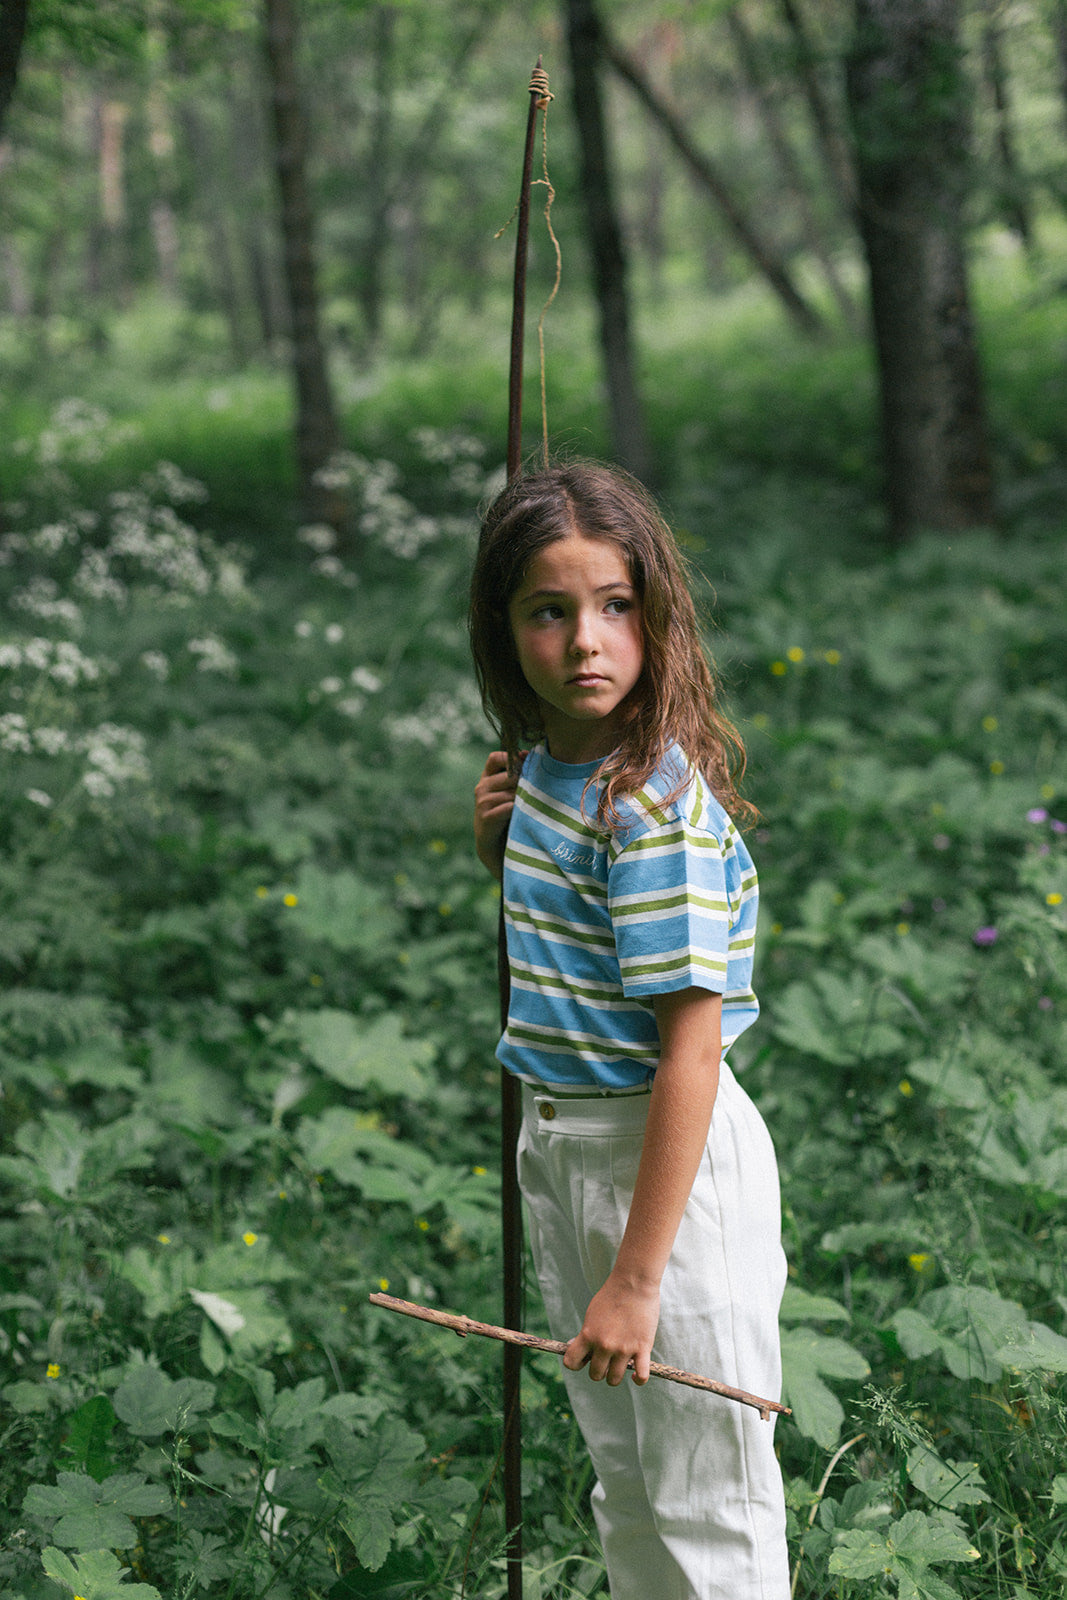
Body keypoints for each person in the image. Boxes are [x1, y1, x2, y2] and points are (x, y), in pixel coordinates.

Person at [468, 463, 790, 1600]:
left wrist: (640, 1278)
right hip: (562, 1149)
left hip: (661, 1168)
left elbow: (688, 1050)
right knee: (627, 1479)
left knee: (706, 1494)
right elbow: (565, 957)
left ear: (655, 615)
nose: (584, 641)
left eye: (613, 605)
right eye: (546, 610)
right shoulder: (544, 774)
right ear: (502, 629)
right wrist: (501, 853)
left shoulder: (647, 808)